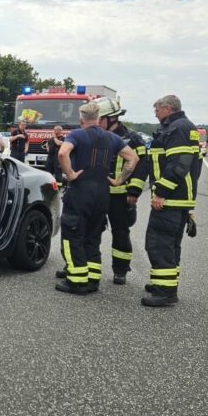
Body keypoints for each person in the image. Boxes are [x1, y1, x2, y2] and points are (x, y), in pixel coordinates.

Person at [55, 102, 138, 295]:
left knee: (73, 235)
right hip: (102, 193)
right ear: (99, 118)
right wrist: (118, 181)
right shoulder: (112, 137)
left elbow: (62, 152)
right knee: (93, 236)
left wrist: (71, 173)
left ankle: (76, 281)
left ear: (81, 119)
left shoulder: (76, 134)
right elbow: (132, 158)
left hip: (80, 192)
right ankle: (92, 280)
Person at [144, 95, 203, 306]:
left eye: (157, 110)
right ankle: (165, 283)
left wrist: (161, 192)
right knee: (170, 244)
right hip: (179, 198)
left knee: (159, 244)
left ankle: (165, 291)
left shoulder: (177, 128)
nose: (155, 113)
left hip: (171, 198)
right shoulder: (182, 126)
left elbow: (179, 164)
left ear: (167, 108)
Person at [97, 96, 149, 285]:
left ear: (112, 118)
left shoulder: (132, 139)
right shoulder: (96, 135)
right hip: (97, 194)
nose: (97, 122)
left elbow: (143, 165)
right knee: (90, 230)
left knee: (120, 232)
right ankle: (81, 265)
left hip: (120, 197)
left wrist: (133, 191)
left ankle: (120, 270)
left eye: (100, 119)